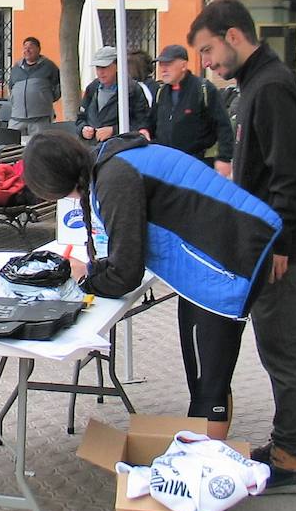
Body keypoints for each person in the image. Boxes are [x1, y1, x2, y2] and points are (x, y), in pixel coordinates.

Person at [21, 130, 278, 440]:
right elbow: (128, 254)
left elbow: (125, 273)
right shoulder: (112, 161)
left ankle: (205, 470)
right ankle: (204, 454)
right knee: (206, 377)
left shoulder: (114, 178)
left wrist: (85, 278)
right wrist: (91, 270)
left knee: (209, 385)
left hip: (227, 265)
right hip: (219, 261)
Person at [189, 0, 296, 495]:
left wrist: (280, 243)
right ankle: (285, 441)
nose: (207, 62)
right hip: (266, 243)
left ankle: (291, 453)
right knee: (276, 346)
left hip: (278, 249)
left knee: (282, 347)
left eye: (208, 50)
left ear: (234, 36)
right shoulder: (253, 87)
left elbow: (291, 175)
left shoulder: (271, 88)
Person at [149, 44, 234, 176]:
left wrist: (224, 158)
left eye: (168, 64)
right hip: (166, 166)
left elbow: (223, 125)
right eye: (161, 64)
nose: (163, 69)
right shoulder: (161, 92)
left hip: (198, 166)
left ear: (183, 65)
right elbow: (151, 123)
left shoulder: (203, 89)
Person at [76, 46, 152, 143]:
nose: (100, 72)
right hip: (91, 148)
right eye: (97, 67)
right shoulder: (92, 87)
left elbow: (142, 123)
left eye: (104, 67)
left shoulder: (132, 90)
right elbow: (80, 118)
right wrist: (83, 129)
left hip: (118, 147)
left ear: (117, 66)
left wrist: (114, 130)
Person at [6, 36, 61, 137]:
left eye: (31, 47)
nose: (27, 50)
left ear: (38, 49)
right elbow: (11, 87)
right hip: (17, 119)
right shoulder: (16, 68)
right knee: (12, 147)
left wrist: (47, 98)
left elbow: (59, 86)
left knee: (40, 147)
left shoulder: (49, 66)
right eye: (25, 47)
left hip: (40, 120)